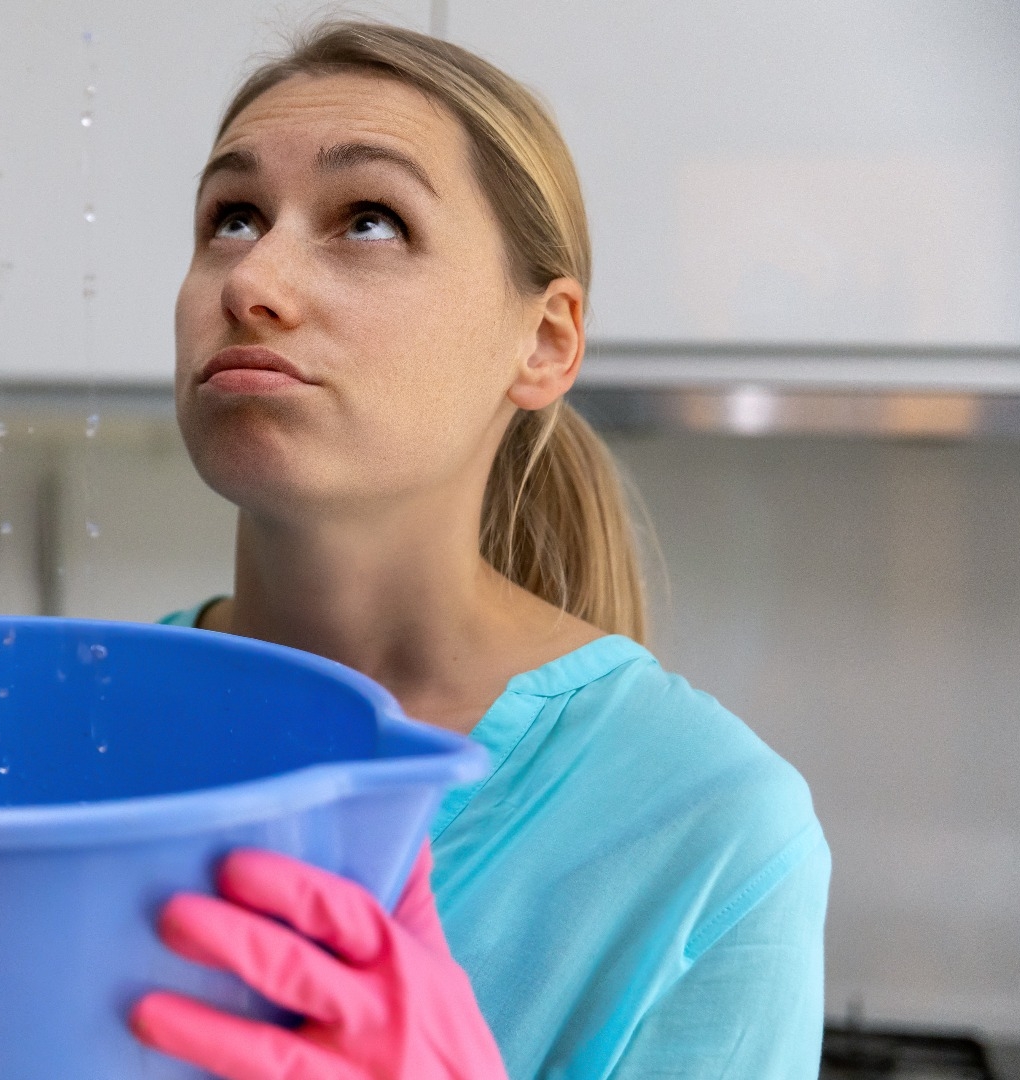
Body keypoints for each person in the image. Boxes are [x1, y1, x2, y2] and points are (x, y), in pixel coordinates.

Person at [126, 20, 829, 1080]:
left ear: (543, 342)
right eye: (233, 218)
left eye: (369, 220)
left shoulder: (713, 829)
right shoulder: (78, 728)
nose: (252, 279)